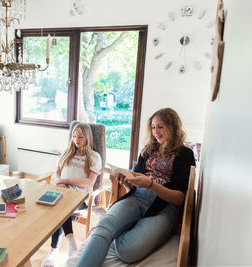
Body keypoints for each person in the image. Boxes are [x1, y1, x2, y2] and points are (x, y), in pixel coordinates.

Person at [75, 108, 195, 266]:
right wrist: (125, 180)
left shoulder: (185, 154)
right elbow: (134, 184)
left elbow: (180, 199)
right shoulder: (148, 150)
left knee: (127, 251)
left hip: (164, 206)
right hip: (137, 198)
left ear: (172, 127)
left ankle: (127, 227)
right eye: (153, 127)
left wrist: (151, 184)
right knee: (102, 229)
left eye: (160, 127)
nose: (155, 132)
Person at [42, 123, 102, 267]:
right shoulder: (67, 152)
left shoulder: (94, 157)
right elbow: (56, 173)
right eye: (74, 136)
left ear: (87, 137)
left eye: (81, 137)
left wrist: (66, 180)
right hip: (63, 191)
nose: (77, 139)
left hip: (80, 196)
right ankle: (68, 245)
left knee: (60, 207)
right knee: (54, 203)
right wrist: (58, 181)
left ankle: (55, 250)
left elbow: (89, 182)